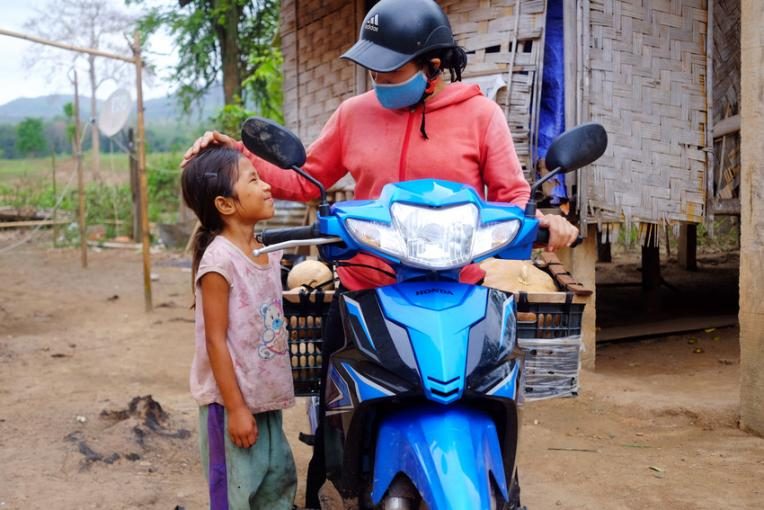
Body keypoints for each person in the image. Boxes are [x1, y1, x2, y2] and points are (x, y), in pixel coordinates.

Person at [182, 1, 577, 506]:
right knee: (332, 395)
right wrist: (239, 151)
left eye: (391, 67)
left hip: (457, 286)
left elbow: (511, 198)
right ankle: (331, 470)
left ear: (433, 65)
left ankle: (502, 480)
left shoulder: (481, 115)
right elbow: (305, 182)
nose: (379, 76)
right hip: (369, 288)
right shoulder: (354, 113)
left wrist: (544, 221)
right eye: (373, 65)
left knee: (490, 382)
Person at [182, 146, 297, 510]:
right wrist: (236, 409)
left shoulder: (266, 249)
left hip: (265, 398)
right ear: (226, 205)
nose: (266, 187)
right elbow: (215, 341)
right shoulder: (219, 261)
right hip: (230, 403)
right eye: (254, 180)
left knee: (276, 486)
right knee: (235, 494)